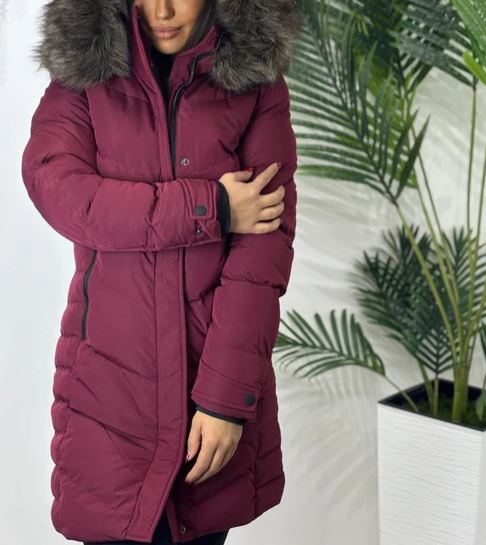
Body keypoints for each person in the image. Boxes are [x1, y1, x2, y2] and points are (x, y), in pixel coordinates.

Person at [21, 0, 302, 543]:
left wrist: (225, 402)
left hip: (208, 395)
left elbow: (261, 261)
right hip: (109, 394)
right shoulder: (85, 72)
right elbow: (62, 193)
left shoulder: (255, 81)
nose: (162, 10)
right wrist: (210, 208)